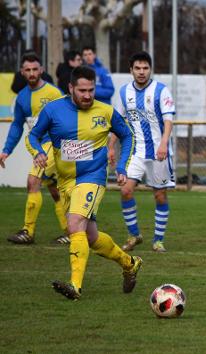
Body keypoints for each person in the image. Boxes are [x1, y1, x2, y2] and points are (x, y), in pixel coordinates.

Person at [28, 65, 142, 300]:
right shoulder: (53, 110)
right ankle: (129, 263)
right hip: (66, 181)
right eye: (82, 90)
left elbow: (128, 135)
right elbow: (33, 135)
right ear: (70, 88)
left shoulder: (106, 111)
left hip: (93, 177)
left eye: (91, 90)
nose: (88, 95)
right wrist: (38, 151)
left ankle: (75, 286)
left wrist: (121, 166)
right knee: (89, 237)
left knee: (74, 223)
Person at [108, 51, 176, 253]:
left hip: (158, 152)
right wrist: (111, 146)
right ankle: (134, 234)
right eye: (137, 68)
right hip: (135, 152)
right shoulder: (123, 93)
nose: (141, 72)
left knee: (160, 196)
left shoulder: (161, 91)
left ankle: (158, 240)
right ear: (131, 70)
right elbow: (118, 122)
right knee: (125, 190)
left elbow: (168, 120)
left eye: (145, 68)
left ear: (150, 69)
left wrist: (164, 143)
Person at [1, 53, 69, 245]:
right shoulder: (22, 97)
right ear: (22, 72)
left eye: (35, 69)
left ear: (42, 70)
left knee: (33, 181)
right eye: (27, 70)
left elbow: (68, 118)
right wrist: (6, 150)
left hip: (53, 145)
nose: (31, 73)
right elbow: (17, 126)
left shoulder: (54, 93)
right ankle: (71, 232)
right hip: (39, 145)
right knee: (54, 189)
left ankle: (27, 231)